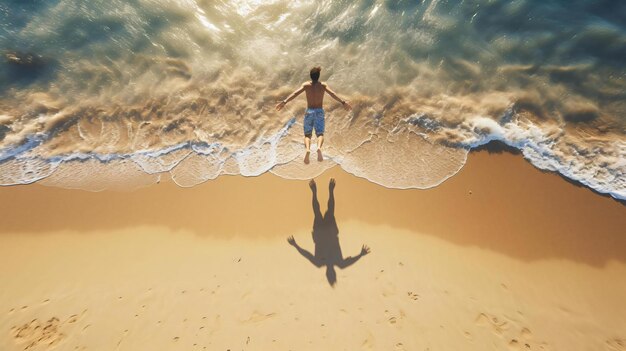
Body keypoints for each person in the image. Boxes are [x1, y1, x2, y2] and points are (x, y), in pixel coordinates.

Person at [287, 178, 370, 286]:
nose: (330, 272)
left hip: (321, 232)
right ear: (333, 273)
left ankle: (316, 191)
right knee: (328, 211)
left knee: (318, 212)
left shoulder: (320, 263)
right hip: (328, 231)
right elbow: (351, 261)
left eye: (330, 274)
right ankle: (329, 190)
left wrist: (295, 245)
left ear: (327, 273)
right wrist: (361, 254)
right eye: (332, 274)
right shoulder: (339, 263)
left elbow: (306, 255)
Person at [275, 66, 352, 164]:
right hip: (319, 111)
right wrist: (343, 102)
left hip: (309, 111)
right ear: (319, 76)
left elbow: (295, 94)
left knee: (307, 135)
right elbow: (332, 94)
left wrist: (284, 101)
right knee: (320, 133)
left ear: (310, 76)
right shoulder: (323, 86)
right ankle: (319, 148)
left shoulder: (306, 85)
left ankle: (308, 149)